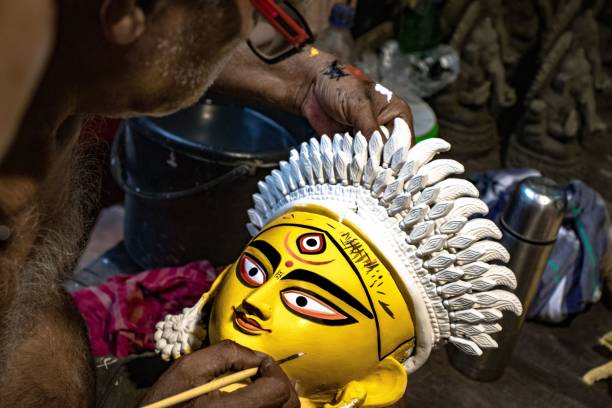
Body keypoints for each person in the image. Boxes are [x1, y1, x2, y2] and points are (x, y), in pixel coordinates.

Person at [0, 1, 413, 407]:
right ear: (128, 13)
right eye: (261, 15)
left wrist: (304, 75)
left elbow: (162, 44)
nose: (254, 303)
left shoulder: (53, 42)